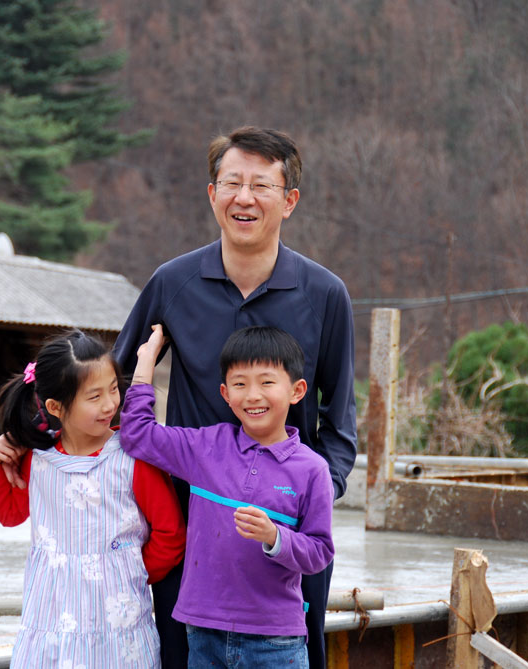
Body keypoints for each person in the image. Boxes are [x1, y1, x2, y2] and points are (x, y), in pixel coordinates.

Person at [111, 126, 356, 668]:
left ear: (289, 201)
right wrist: (33, 436)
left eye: (261, 186)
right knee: (182, 654)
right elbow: (112, 383)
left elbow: (340, 418)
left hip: (289, 530)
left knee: (294, 652)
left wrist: (310, 490)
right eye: (231, 183)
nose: (244, 198)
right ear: (212, 194)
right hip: (190, 524)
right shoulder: (172, 282)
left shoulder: (324, 294)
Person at [120, 324, 334, 668]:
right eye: (239, 384)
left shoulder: (313, 470)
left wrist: (275, 537)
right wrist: (146, 362)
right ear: (224, 393)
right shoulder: (206, 448)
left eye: (267, 382)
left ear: (297, 390)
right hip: (203, 632)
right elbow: (137, 435)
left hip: (276, 641)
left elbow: (319, 554)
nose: (252, 395)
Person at [0, 329, 186, 669]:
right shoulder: (38, 458)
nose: (109, 404)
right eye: (94, 397)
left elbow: (171, 532)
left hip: (118, 625)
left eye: (113, 389)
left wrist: (127, 571)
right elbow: (9, 514)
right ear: (55, 407)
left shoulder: (132, 458)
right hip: (49, 620)